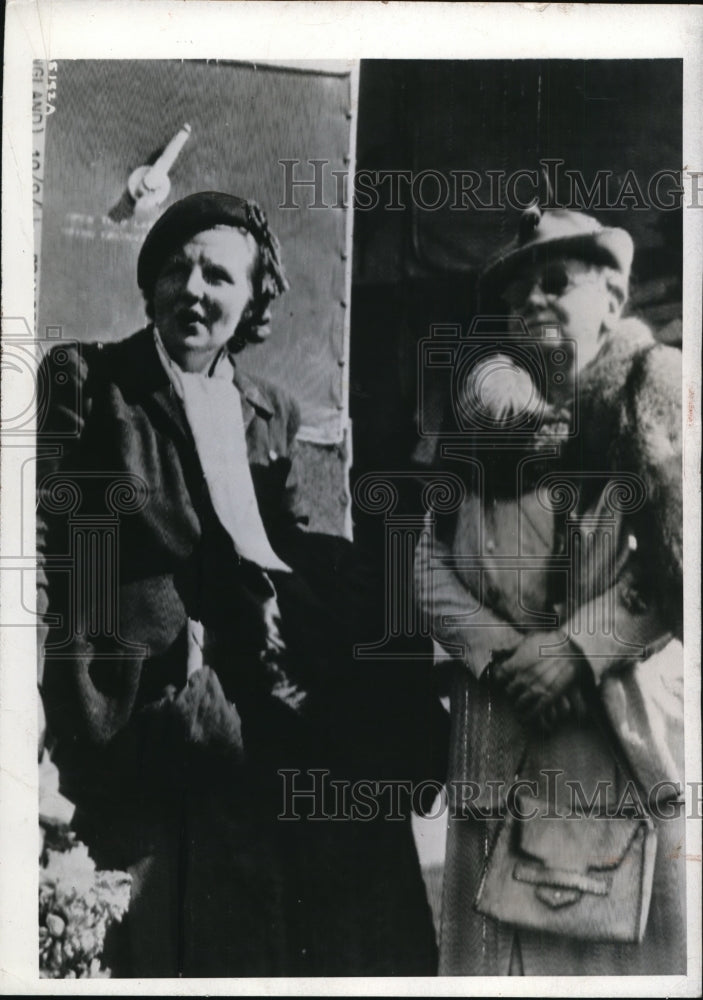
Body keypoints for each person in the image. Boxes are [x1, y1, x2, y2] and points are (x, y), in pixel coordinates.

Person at [37, 191, 442, 976]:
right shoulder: (91, 382)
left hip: (258, 687)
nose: (193, 290)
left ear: (253, 299)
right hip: (149, 695)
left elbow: (302, 554)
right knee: (160, 929)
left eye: (218, 276)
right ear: (151, 282)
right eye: (177, 270)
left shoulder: (272, 412)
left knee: (339, 862)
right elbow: (48, 537)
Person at [414, 204, 685, 975]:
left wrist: (576, 647)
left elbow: (680, 556)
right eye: (514, 292)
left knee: (618, 957)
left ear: (612, 296)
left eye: (555, 280)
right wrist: (501, 653)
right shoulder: (474, 418)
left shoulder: (655, 391)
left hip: (612, 735)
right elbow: (424, 564)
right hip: (497, 728)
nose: (531, 300)